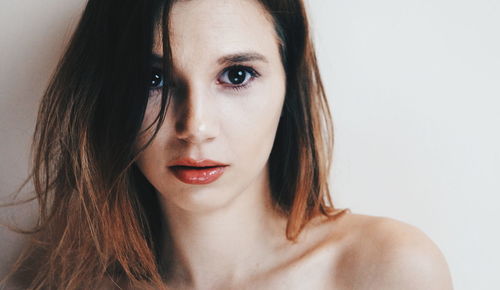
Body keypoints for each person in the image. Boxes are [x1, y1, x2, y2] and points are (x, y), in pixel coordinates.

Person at [1, 0, 453, 289]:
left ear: (287, 87)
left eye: (236, 75)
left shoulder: (386, 271)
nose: (195, 127)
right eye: (153, 80)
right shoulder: (52, 280)